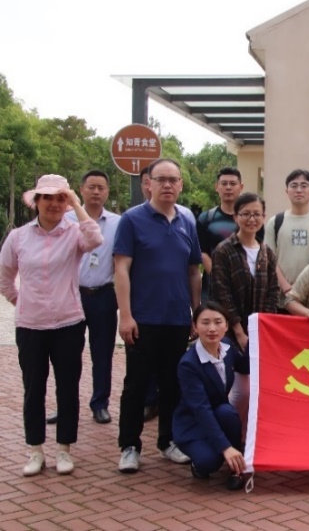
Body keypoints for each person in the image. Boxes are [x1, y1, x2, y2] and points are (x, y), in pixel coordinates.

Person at [0, 174, 103, 476]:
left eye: (61, 198)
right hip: (30, 326)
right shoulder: (18, 237)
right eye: (47, 197)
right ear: (37, 201)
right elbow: (5, 276)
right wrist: (22, 301)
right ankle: (35, 450)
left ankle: (64, 449)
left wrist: (76, 204)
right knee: (33, 389)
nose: (54, 204)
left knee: (68, 388)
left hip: (68, 323)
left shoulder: (74, 233)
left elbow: (95, 239)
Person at [114, 158, 202, 473]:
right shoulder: (132, 219)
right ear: (149, 183)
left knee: (172, 384)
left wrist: (195, 313)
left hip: (177, 319)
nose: (167, 185)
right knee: (136, 385)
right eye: (160, 179)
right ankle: (129, 446)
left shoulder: (187, 221)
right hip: (142, 319)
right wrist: (125, 315)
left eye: (173, 180)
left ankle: (168, 441)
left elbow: (193, 271)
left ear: (180, 185)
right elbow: (121, 269)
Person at [211, 192, 280, 426]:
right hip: (232, 332)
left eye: (257, 214)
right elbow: (222, 293)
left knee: (256, 390)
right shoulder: (224, 250)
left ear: (263, 217)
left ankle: (246, 435)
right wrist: (239, 330)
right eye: (246, 214)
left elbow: (273, 292)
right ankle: (229, 431)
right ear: (235, 217)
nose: (252, 219)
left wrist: (262, 327)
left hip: (258, 332)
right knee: (241, 391)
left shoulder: (267, 253)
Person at [173, 302, 248, 491]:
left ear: (226, 325)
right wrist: (225, 447)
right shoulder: (188, 364)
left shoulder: (227, 347)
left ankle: (236, 466)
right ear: (195, 326)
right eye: (205, 323)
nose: (212, 328)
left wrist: (255, 342)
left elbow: (245, 367)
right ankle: (218, 453)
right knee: (208, 463)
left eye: (218, 322)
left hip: (220, 414)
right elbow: (201, 409)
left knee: (227, 412)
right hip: (193, 422)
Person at [66, 170, 121, 425]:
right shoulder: (66, 219)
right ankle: (66, 405)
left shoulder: (118, 223)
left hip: (103, 295)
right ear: (81, 189)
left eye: (101, 187)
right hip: (70, 295)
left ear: (107, 192)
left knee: (102, 353)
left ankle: (100, 403)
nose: (96, 192)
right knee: (67, 354)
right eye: (91, 187)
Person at [264, 169, 309, 312]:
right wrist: (286, 287)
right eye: (294, 185)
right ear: (286, 191)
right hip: (282, 299)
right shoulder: (275, 222)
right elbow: (269, 259)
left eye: (304, 185)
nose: (299, 190)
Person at [197, 167, 246, 303]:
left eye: (233, 183)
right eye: (224, 183)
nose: (228, 187)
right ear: (216, 187)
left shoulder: (250, 219)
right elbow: (203, 253)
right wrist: (220, 278)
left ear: (241, 187)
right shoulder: (206, 218)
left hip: (243, 289)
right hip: (213, 290)